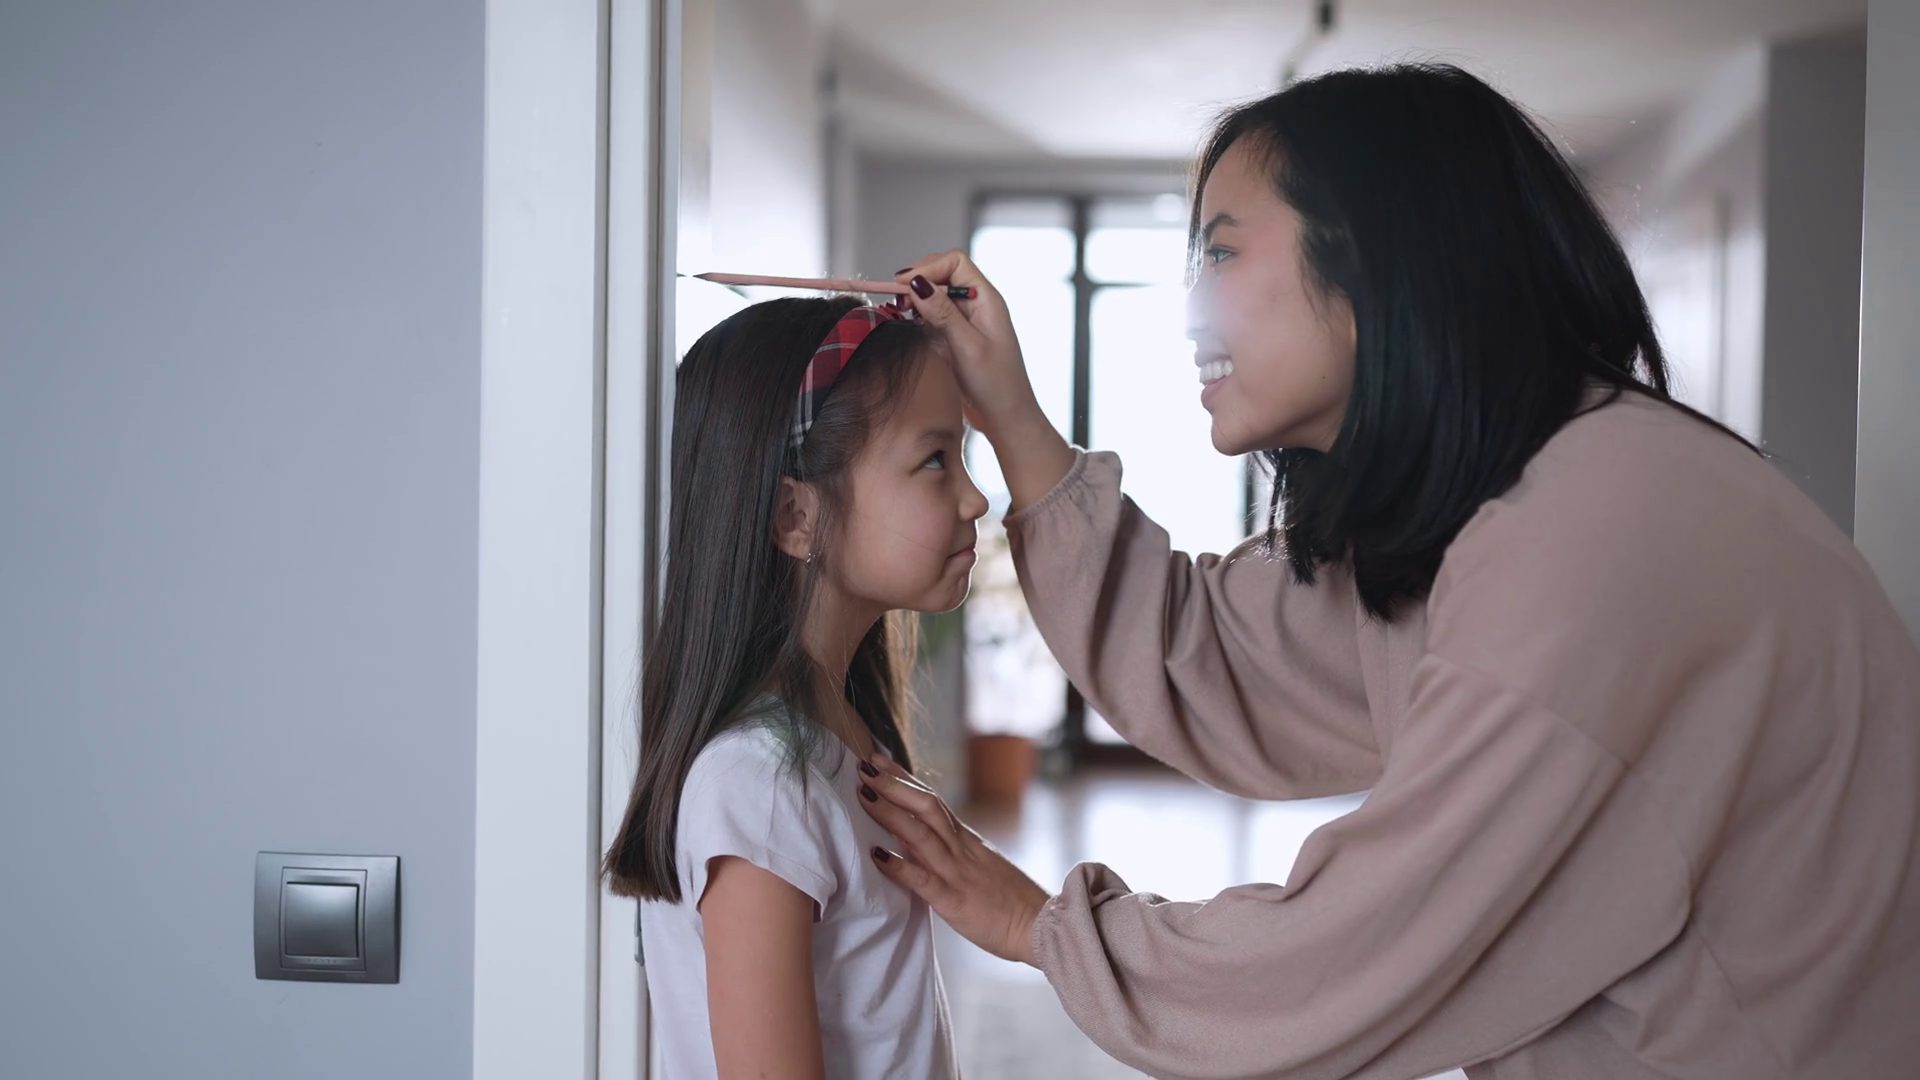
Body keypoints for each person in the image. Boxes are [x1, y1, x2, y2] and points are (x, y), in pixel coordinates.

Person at [856, 64, 1920, 1079]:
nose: (1192, 309)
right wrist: (1011, 414)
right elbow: (1208, 653)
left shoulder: (1593, 543)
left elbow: (1348, 952)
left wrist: (1038, 926)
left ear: (1374, 260)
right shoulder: (1507, 498)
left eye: (1221, 254)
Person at [602, 296, 987, 1079]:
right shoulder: (761, 785)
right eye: (936, 459)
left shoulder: (833, 734)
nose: (976, 498)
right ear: (795, 516)